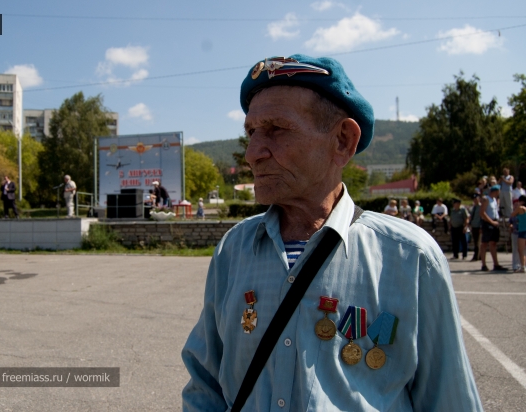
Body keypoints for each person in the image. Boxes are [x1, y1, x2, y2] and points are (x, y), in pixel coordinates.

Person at [181, 55, 481, 411]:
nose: (253, 153)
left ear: (342, 140)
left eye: (277, 128)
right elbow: (204, 385)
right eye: (251, 132)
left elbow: (450, 401)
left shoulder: (410, 257)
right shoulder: (233, 250)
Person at [479, 185, 507, 272]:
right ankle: (483, 264)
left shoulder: (494, 200)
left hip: (495, 221)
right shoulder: (486, 199)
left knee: (493, 243)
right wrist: (491, 222)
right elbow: (482, 213)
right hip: (488, 222)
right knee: (484, 243)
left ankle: (496, 263)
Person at [510, 195, 526, 273]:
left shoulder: (520, 208)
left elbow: (512, 214)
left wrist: (517, 206)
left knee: (521, 250)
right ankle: (524, 266)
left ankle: (523, 267)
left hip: (522, 231)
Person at [508, 200, 521, 272]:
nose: (516, 206)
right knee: (515, 249)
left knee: (523, 249)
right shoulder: (512, 214)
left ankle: (522, 264)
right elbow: (510, 222)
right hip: (515, 232)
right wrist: (510, 226)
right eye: (514, 205)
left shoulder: (522, 213)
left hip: (522, 232)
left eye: (517, 205)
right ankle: (515, 265)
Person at [469, 194, 482, 261]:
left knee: (477, 242)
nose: (475, 200)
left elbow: (481, 217)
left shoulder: (480, 207)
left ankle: (476, 256)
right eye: (474, 199)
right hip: (474, 226)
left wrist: (481, 226)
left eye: (476, 199)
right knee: (475, 242)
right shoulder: (474, 207)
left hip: (478, 226)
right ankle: (479, 255)